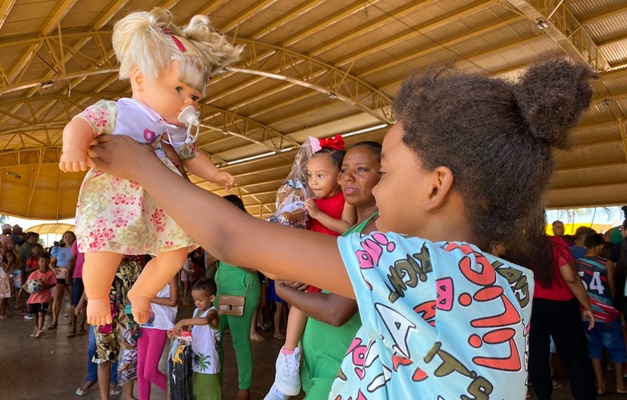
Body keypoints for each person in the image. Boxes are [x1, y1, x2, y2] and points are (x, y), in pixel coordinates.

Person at [89, 57, 595, 399]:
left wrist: (144, 166)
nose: (373, 189)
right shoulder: (503, 280)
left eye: (388, 172)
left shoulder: (416, 268)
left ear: (436, 187)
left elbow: (232, 238)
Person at [58, 7, 242, 325]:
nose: (188, 101)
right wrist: (73, 148)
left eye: (196, 97)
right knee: (103, 253)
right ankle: (98, 296)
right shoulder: (118, 112)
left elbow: (191, 155)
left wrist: (213, 173)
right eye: (179, 90)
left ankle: (142, 291)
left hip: (159, 200)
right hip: (113, 198)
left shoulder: (174, 131)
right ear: (140, 79)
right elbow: (82, 123)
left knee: (176, 252)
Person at [269, 142, 381, 400]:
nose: (348, 177)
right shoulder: (355, 229)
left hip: (339, 366)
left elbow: (335, 311)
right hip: (318, 361)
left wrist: (283, 287)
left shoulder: (374, 232)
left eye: (362, 169)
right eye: (344, 170)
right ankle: (289, 355)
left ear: (384, 174)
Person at [212, 194, 261, 400]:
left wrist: (228, 253)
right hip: (222, 292)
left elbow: (255, 265)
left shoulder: (250, 232)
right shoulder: (220, 232)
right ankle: (215, 379)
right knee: (213, 338)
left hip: (242, 292)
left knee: (240, 341)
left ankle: (244, 388)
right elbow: (207, 260)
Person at [575, 233, 627, 395]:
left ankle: (600, 385)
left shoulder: (576, 264)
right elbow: (612, 287)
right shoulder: (606, 263)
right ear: (600, 246)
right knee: (617, 349)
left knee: (594, 350)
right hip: (606, 313)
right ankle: (620, 384)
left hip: (585, 312)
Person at [171, 277, 221, 400]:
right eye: (194, 300)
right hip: (194, 361)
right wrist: (176, 334)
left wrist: (182, 321)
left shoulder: (212, 313)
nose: (197, 303)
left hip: (208, 364)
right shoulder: (195, 312)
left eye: (200, 300)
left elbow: (205, 321)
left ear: (211, 298)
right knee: (197, 392)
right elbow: (190, 334)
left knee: (209, 393)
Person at [137, 276, 178, 400]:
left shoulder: (171, 275)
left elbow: (173, 301)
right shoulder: (148, 271)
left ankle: (179, 393)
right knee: (140, 371)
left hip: (160, 324)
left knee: (150, 372)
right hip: (144, 322)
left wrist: (149, 298)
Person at [24, 253, 56, 338]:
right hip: (34, 298)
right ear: (38, 262)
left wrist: (46, 286)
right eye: (42, 261)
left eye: (46, 262)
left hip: (44, 297)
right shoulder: (34, 274)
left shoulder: (50, 274)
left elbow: (54, 283)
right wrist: (29, 289)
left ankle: (40, 330)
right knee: (35, 314)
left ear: (49, 262)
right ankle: (37, 328)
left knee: (41, 313)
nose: (44, 263)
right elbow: (26, 285)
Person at [49, 230, 76, 330]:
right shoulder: (57, 249)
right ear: (63, 238)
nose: (68, 238)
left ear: (74, 238)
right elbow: (51, 263)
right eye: (66, 236)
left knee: (72, 298)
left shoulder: (76, 249)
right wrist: (54, 269)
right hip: (60, 274)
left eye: (70, 236)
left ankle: (72, 318)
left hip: (72, 274)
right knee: (57, 297)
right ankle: (55, 320)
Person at [67, 239, 87, 337]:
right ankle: (76, 327)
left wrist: (69, 274)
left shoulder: (78, 241)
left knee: (79, 302)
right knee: (76, 303)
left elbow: (73, 259)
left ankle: (78, 328)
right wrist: (69, 273)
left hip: (83, 274)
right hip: (80, 274)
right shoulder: (77, 241)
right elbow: (73, 258)